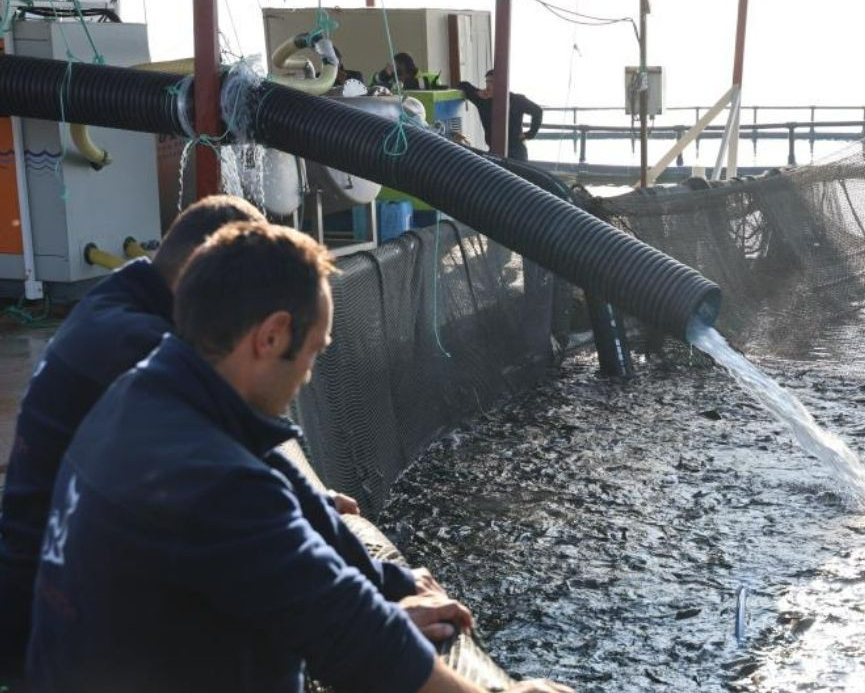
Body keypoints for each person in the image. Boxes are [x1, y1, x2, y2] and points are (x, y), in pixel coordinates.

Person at [25, 222, 572, 693]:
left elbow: (298, 582)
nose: (306, 375)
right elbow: (354, 641)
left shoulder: (132, 401)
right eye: (313, 352)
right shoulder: (214, 480)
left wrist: (382, 601)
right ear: (271, 336)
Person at [0, 196, 433, 685]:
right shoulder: (142, 349)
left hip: (66, 600)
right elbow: (260, 473)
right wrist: (381, 588)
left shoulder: (113, 307)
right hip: (60, 612)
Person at [456, 69, 543, 161]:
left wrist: (530, 134)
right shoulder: (483, 99)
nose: (489, 85)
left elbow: (537, 111)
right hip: (494, 150)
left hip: (516, 151)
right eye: (487, 82)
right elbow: (463, 85)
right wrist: (478, 92)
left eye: (492, 82)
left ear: (502, 83)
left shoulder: (516, 100)